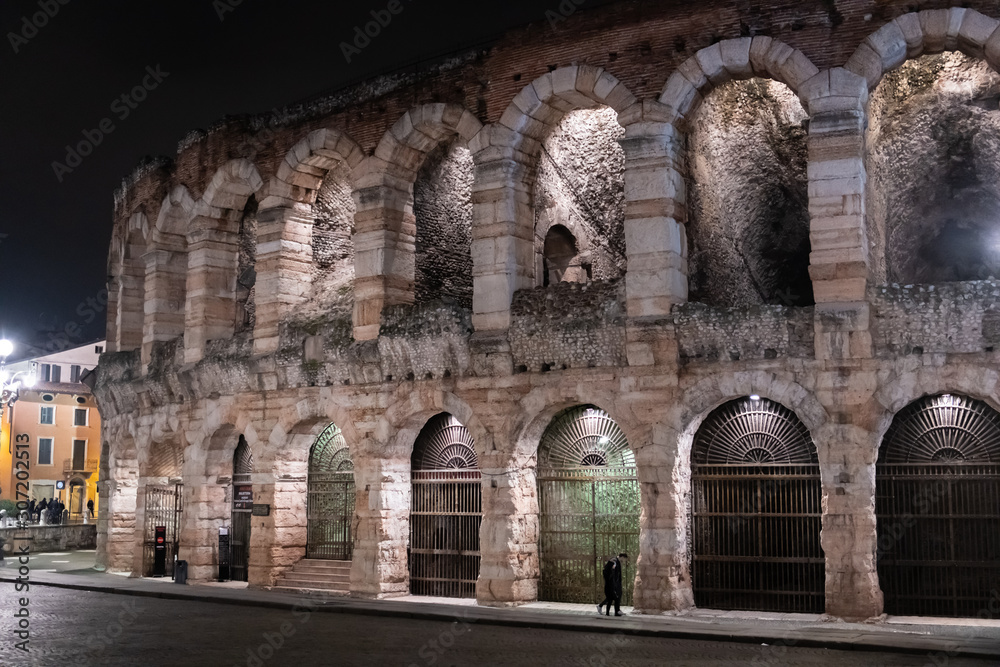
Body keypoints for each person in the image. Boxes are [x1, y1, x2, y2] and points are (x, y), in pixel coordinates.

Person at [597, 552, 629, 617]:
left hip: (615, 583)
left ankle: (615, 611)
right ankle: (606, 609)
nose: (624, 561)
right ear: (622, 557)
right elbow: (611, 573)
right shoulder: (614, 561)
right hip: (612, 583)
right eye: (624, 559)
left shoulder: (617, 562)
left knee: (615, 597)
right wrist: (613, 582)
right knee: (612, 598)